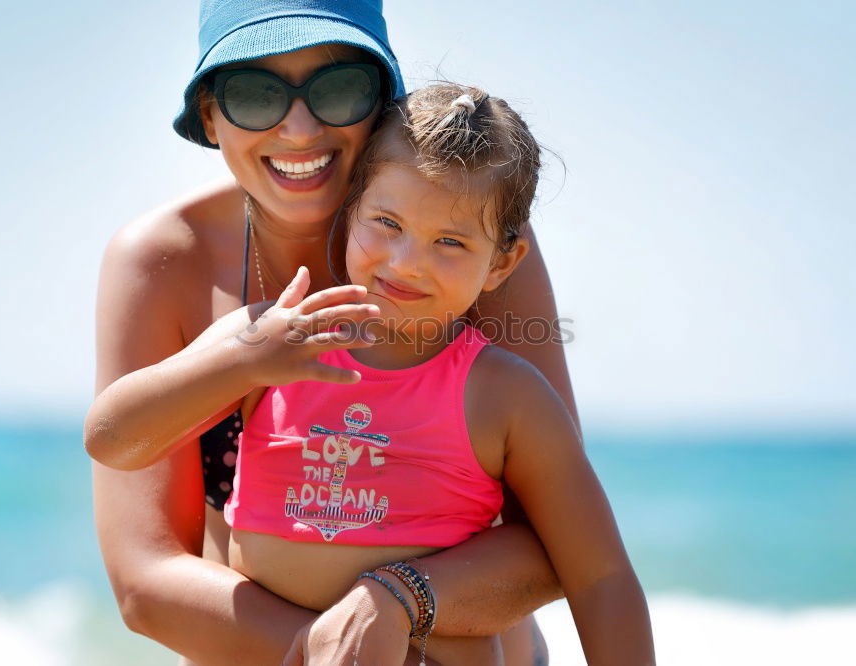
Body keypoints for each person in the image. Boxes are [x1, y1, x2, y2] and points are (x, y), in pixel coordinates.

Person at [89, 1, 613, 664]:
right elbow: (143, 579)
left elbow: (561, 537)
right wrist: (328, 650)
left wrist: (400, 600)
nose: (299, 126)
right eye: (255, 92)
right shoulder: (168, 262)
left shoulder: (468, 242)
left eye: (337, 88)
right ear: (208, 114)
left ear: (385, 100)